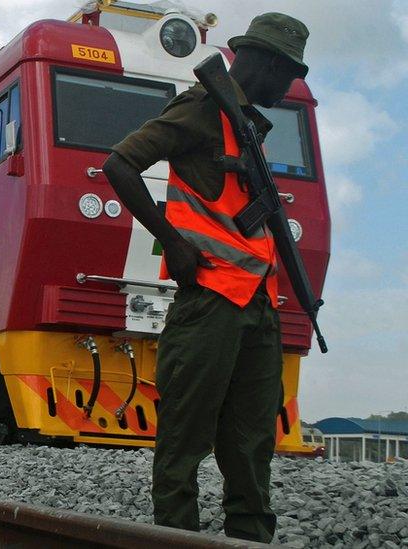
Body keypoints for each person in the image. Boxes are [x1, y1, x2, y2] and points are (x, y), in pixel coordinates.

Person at [101, 13, 310, 543]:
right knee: (185, 437)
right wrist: (171, 240)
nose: (288, 88)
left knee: (252, 441)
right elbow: (121, 163)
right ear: (263, 63)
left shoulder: (246, 125)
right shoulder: (201, 108)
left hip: (257, 303)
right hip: (211, 300)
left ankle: (249, 537)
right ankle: (176, 538)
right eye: (287, 75)